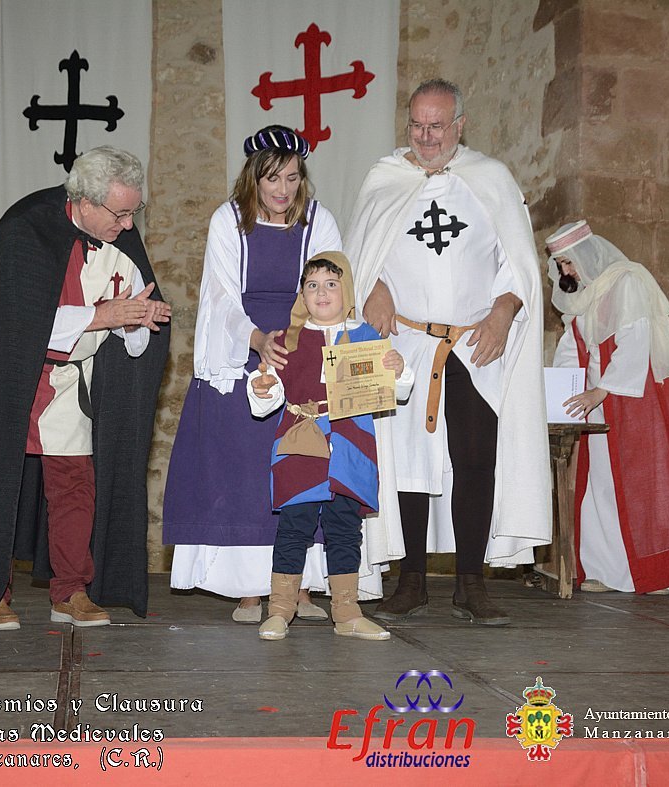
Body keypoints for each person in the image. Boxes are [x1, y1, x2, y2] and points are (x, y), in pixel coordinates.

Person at [0, 146, 171, 635]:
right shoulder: (25, 231)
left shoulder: (121, 243)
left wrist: (138, 322)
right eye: (120, 213)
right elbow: (13, 321)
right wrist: (102, 317)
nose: (129, 225)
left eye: (135, 211)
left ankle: (71, 591)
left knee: (74, 486)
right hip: (11, 382)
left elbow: (132, 343)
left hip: (71, 386)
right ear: (85, 201)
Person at [344, 78, 552, 626]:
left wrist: (504, 310)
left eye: (437, 126)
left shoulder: (491, 179)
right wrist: (373, 287)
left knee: (476, 460)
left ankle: (470, 584)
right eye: (417, 125)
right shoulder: (385, 178)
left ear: (460, 125)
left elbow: (517, 263)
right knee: (406, 463)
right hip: (404, 344)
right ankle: (410, 580)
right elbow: (359, 256)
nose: (426, 136)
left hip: (473, 346)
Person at [163, 125, 355, 624]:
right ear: (253, 177)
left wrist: (300, 341)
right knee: (244, 474)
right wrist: (257, 342)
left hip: (302, 350)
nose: (282, 190)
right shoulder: (228, 221)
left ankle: (303, 587)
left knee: (305, 467)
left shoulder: (319, 221)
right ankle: (247, 590)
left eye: (292, 178)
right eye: (272, 179)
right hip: (243, 350)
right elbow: (222, 296)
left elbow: (331, 286)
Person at [247, 253, 414, 641]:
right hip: (300, 444)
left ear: (347, 290)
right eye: (312, 285)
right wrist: (262, 388)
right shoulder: (285, 341)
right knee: (294, 527)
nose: (322, 292)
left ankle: (348, 613)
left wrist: (398, 369)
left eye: (331, 284)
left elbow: (398, 390)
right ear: (302, 295)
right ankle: (280, 611)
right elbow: (266, 399)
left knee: (344, 529)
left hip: (350, 447)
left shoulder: (367, 338)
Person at [546, 220, 669, 595]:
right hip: (597, 399)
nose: (566, 272)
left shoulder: (627, 281)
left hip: (632, 396)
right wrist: (558, 394)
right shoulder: (583, 296)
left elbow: (635, 341)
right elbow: (572, 347)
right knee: (601, 484)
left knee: (643, 482)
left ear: (586, 254)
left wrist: (601, 390)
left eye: (568, 262)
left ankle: (656, 574)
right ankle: (606, 571)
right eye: (560, 265)